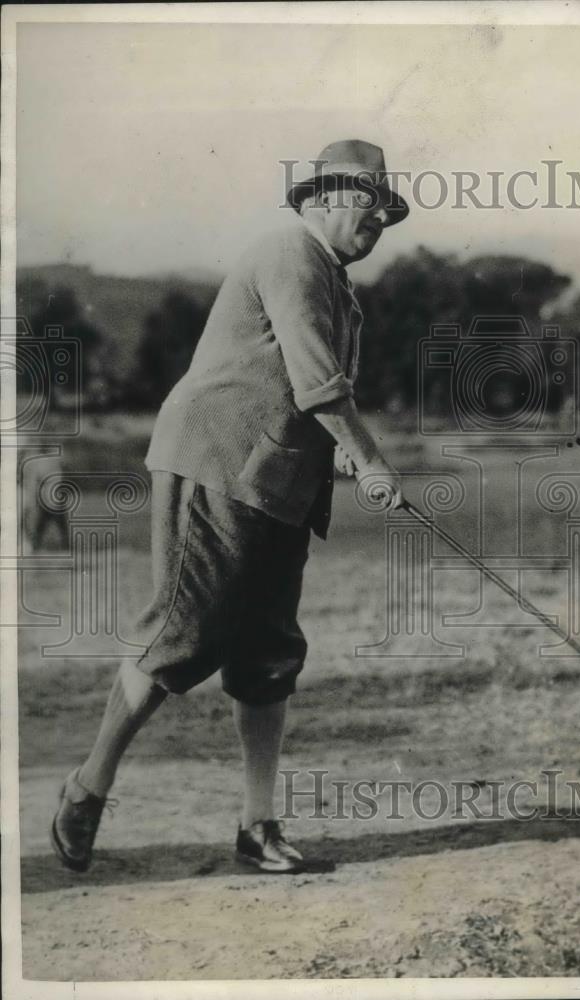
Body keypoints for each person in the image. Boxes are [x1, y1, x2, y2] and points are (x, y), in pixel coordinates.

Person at [51, 140, 409, 874]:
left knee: (269, 652)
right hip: (216, 463)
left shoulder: (343, 291)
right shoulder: (289, 251)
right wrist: (369, 458)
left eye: (384, 207)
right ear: (316, 201)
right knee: (185, 634)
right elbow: (316, 379)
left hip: (280, 484)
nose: (375, 214)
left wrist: (341, 451)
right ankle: (88, 786)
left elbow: (313, 391)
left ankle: (257, 825)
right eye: (360, 197)